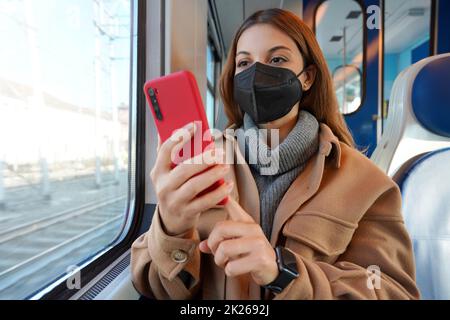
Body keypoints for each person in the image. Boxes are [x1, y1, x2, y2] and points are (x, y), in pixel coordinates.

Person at [130, 8, 420, 300]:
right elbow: (152, 285)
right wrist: (171, 228)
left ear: (307, 77)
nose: (257, 74)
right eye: (244, 63)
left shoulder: (366, 183)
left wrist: (282, 271)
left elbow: (392, 291)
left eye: (277, 59)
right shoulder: (201, 163)